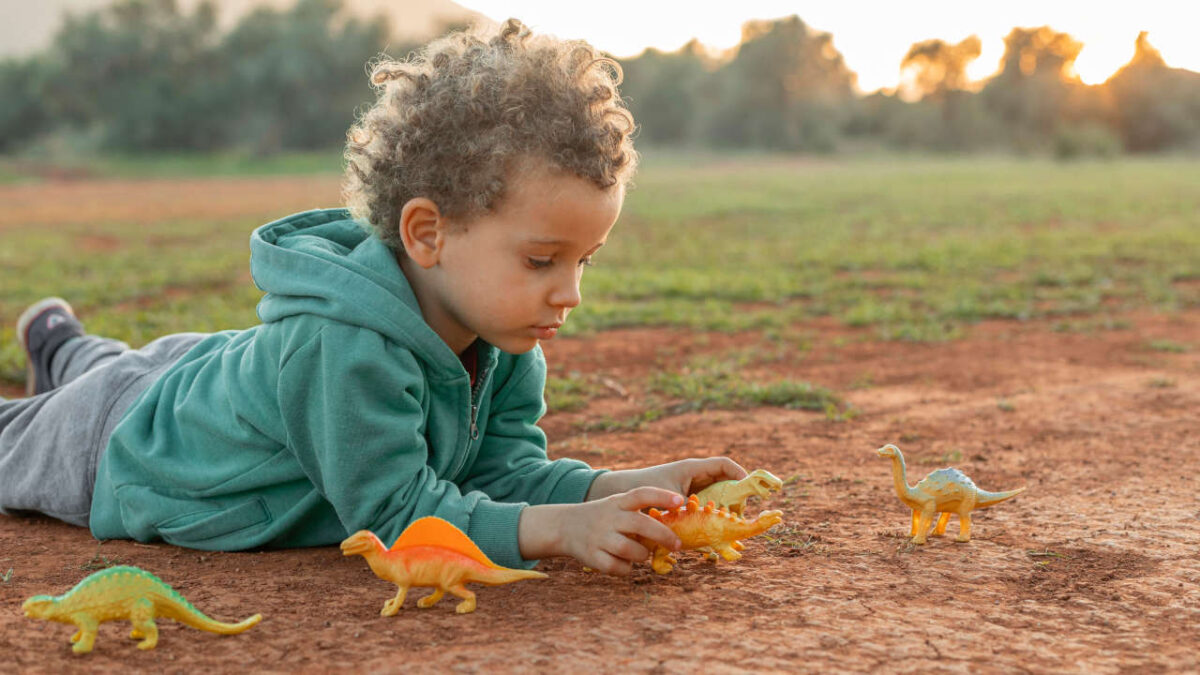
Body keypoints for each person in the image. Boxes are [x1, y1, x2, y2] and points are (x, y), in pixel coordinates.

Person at [0, 19, 744, 576]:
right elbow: (394, 513)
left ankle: (60, 342)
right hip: (124, 442)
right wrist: (559, 530)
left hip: (205, 375)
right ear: (427, 233)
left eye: (585, 259)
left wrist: (620, 486)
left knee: (117, 366)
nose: (570, 292)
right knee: (66, 412)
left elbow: (501, 477)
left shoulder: (505, 334)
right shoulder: (346, 347)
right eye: (543, 259)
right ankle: (66, 355)